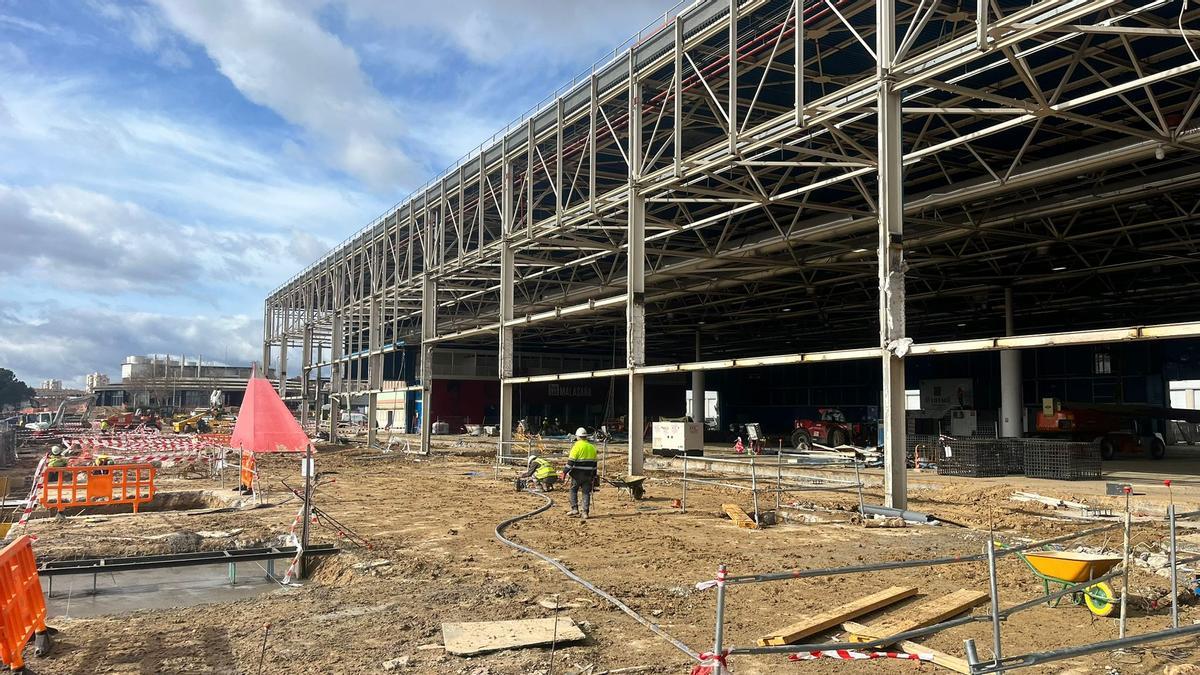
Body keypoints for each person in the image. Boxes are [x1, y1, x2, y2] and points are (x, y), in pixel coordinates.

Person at [563, 427, 598, 521]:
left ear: (577, 437)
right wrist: (594, 476)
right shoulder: (592, 447)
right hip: (588, 475)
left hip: (577, 475)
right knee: (586, 493)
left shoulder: (576, 446)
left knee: (573, 490)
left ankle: (574, 509)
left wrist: (564, 472)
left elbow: (570, 462)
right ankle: (585, 512)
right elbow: (595, 464)